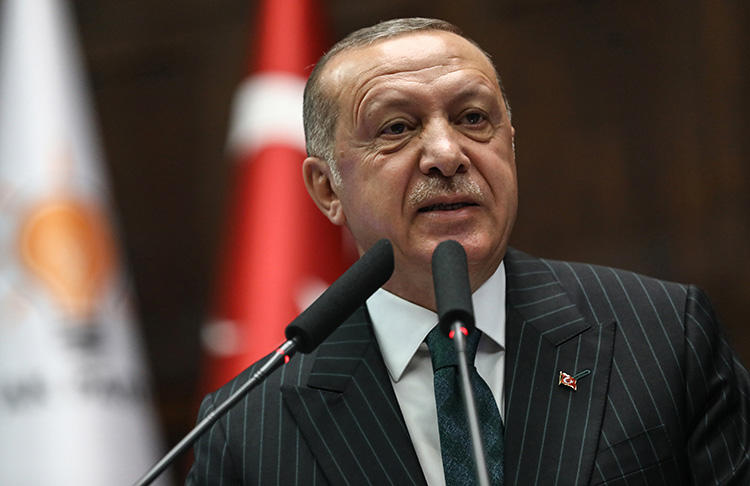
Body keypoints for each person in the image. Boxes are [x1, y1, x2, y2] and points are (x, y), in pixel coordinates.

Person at [187, 18, 749, 485]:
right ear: (327, 189)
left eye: (473, 118)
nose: (446, 153)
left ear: (510, 142)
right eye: (398, 127)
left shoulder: (664, 334)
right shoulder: (246, 428)